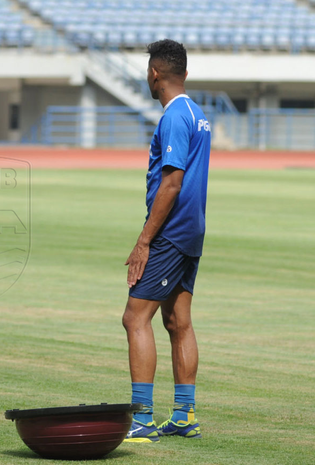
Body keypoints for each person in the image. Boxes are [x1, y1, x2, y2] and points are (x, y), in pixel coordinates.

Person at [122, 39, 210, 443]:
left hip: (170, 233)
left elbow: (172, 182)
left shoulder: (174, 117)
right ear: (185, 74)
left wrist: (144, 241)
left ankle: (141, 419)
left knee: (135, 318)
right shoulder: (198, 114)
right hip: (192, 231)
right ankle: (184, 414)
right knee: (177, 321)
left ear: (154, 74)